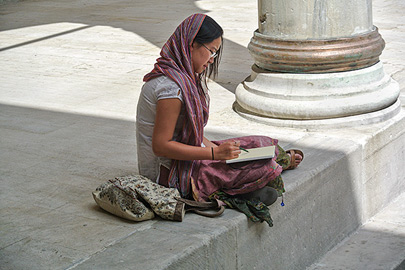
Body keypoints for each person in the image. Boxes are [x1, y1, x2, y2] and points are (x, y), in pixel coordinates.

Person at [136, 14, 303, 212]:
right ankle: (244, 185)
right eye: (211, 51)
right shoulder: (170, 89)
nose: (212, 59)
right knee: (254, 167)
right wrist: (214, 153)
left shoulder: (181, 79)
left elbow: (189, 135)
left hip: (183, 160)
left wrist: (221, 151)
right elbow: (161, 146)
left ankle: (269, 166)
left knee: (259, 144)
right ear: (191, 44)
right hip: (169, 175)